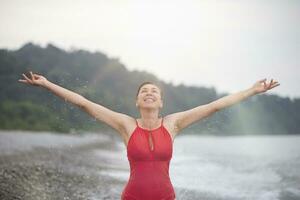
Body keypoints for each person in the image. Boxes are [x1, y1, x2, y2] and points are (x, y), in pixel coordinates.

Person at [18, 71, 280, 200]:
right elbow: (84, 104)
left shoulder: (173, 124)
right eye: (144, 90)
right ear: (137, 101)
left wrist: (251, 91)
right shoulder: (126, 125)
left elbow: (213, 106)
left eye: (154, 90)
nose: (149, 92)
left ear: (161, 102)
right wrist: (47, 84)